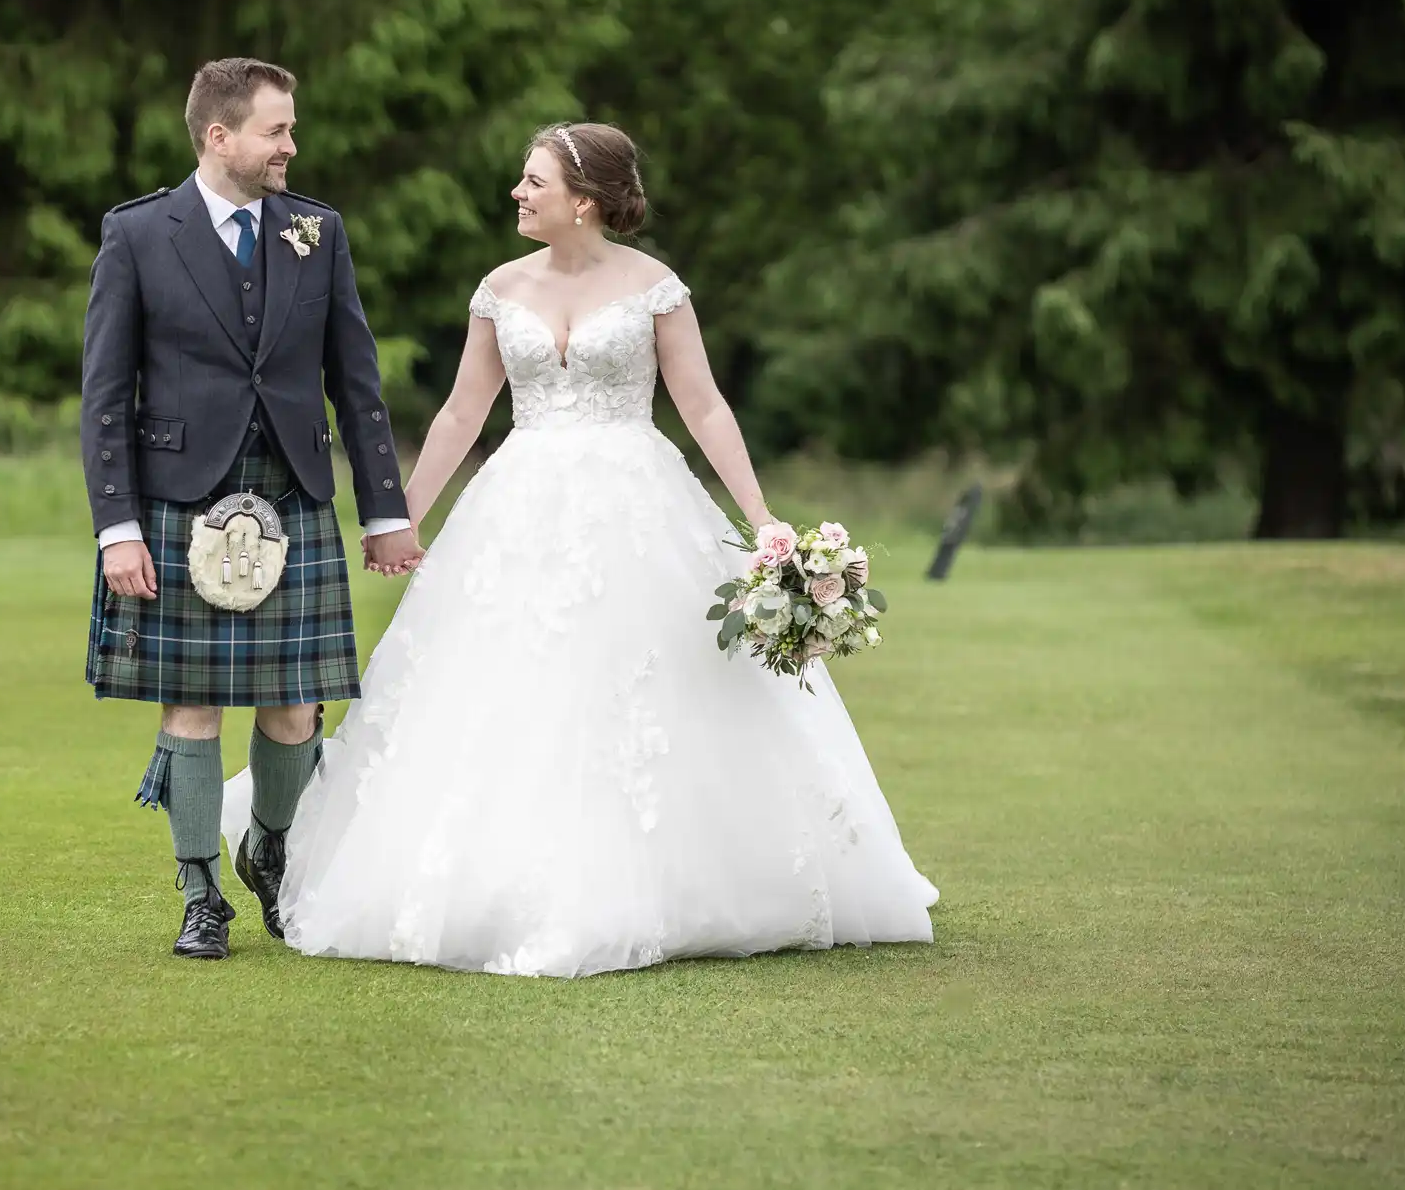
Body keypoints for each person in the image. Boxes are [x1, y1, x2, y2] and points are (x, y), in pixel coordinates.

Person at [223, 122, 938, 977]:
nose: (518, 195)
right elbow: (461, 413)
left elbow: (705, 407)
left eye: (533, 182)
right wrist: (400, 514)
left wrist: (761, 518)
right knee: (505, 686)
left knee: (638, 680)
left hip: (636, 502)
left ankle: (662, 880)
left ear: (584, 202)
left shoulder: (656, 289)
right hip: (518, 502)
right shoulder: (499, 288)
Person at [81, 58, 423, 961]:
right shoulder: (139, 233)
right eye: (277, 129)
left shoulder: (318, 230)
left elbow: (356, 380)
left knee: (294, 707)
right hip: (177, 502)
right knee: (190, 703)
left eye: (291, 128)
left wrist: (385, 505)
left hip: (292, 492)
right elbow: (106, 393)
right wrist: (117, 525)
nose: (291, 146)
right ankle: (200, 892)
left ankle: (268, 845)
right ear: (218, 135)